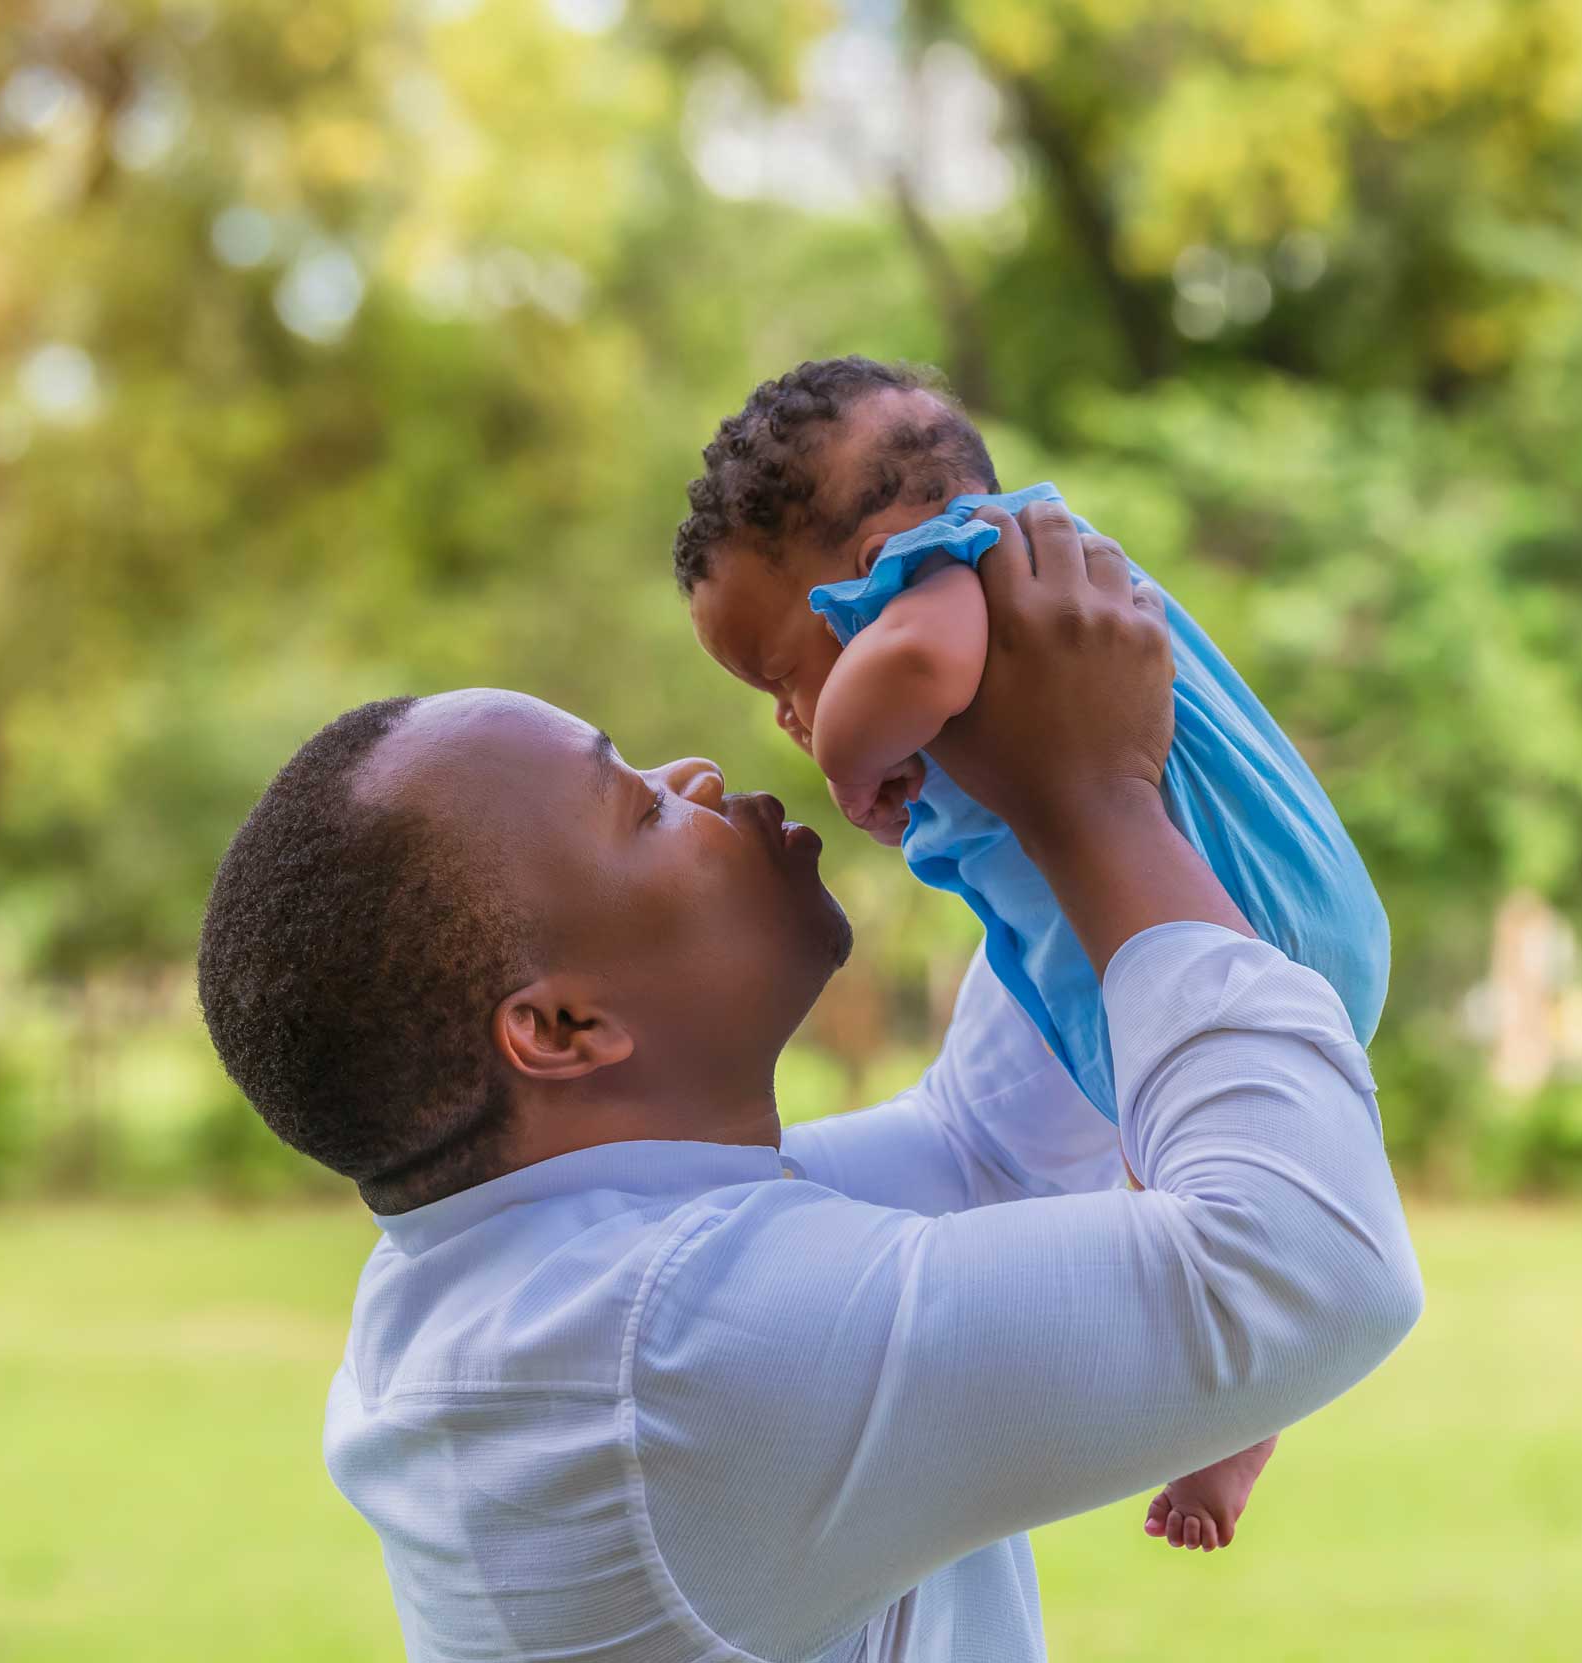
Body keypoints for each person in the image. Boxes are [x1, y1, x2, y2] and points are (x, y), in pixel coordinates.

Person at [195, 507, 1422, 1662]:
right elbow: (1312, 1264)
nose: (696, 775)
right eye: (634, 807)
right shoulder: (669, 1362)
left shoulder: (559, 1273)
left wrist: (1013, 799)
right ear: (562, 1026)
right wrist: (1096, 802)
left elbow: (992, 1149)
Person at [677, 356, 1391, 1545]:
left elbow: (913, 665)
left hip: (1233, 919)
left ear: (863, 571)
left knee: (1182, 1198)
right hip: (1258, 932)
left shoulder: (958, 565)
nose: (786, 717)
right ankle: (1237, 1425)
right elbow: (982, 1144)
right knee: (1157, 1200)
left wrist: (854, 755)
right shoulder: (1030, 574)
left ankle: (1236, 1414)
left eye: (777, 671)